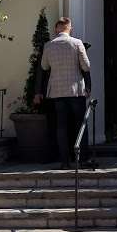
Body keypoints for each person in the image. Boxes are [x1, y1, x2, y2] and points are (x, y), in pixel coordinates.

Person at [33, 17, 97, 170]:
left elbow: (44, 67)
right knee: (80, 125)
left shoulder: (48, 46)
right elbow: (86, 66)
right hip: (76, 91)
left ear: (56, 29)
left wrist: (38, 92)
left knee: (61, 127)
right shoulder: (77, 43)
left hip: (57, 92)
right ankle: (82, 160)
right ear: (70, 28)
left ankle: (64, 162)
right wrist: (88, 86)